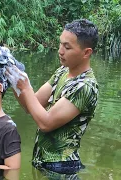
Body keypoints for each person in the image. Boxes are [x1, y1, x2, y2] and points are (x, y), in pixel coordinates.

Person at [6, 19, 99, 175]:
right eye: (61, 44)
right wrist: (14, 78)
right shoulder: (63, 71)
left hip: (62, 167)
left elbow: (46, 123)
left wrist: (26, 86)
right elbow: (30, 105)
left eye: (67, 47)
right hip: (42, 161)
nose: (60, 51)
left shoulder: (85, 87)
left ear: (86, 52)